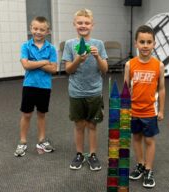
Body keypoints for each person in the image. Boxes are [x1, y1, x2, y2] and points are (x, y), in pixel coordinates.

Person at [62, 9, 108, 170]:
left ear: (92, 25)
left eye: (86, 23)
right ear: (74, 24)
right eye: (80, 23)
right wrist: (78, 60)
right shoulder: (69, 44)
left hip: (94, 91)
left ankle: (93, 154)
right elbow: (68, 70)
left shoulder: (99, 44)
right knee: (79, 125)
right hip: (76, 92)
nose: (83, 25)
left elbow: (104, 69)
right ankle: (80, 153)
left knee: (92, 125)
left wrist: (97, 57)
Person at [124, 25, 165, 188]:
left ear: (154, 43)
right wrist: (124, 109)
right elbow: (125, 88)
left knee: (149, 140)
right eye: (142, 42)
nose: (145, 45)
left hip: (150, 110)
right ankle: (140, 164)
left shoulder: (158, 65)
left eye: (149, 42)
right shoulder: (129, 65)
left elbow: (161, 89)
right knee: (136, 138)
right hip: (133, 110)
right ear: (136, 43)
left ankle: (148, 169)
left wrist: (161, 110)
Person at [15, 16, 57, 157]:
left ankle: (41, 140)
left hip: (44, 87)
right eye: (35, 28)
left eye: (42, 29)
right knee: (26, 114)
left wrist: (35, 63)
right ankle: (22, 141)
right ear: (30, 29)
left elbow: (54, 69)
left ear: (47, 31)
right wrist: (44, 62)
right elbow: (26, 65)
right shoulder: (25, 46)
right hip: (29, 85)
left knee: (41, 114)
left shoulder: (51, 48)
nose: (38, 31)